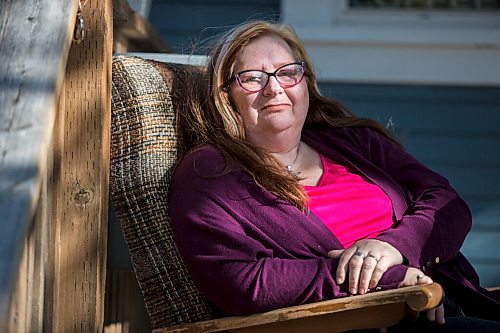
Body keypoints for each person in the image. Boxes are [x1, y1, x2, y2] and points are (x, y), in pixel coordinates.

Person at [168, 20, 500, 332]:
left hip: (455, 299)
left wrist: (394, 247)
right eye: (253, 78)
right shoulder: (210, 174)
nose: (273, 88)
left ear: (305, 83)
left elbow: (447, 204)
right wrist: (388, 278)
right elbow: (245, 282)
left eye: (287, 73)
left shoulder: (348, 140)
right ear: (226, 96)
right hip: (371, 322)